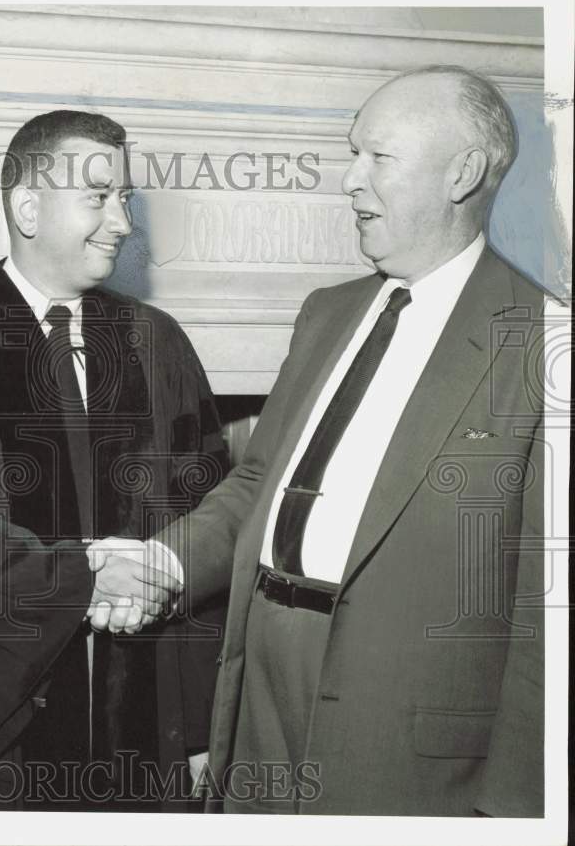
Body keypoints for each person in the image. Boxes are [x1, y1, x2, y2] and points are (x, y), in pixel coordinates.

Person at [90, 66, 549, 816]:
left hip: (406, 751)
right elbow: (257, 484)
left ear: (461, 174)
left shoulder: (542, 342)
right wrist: (162, 561)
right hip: (259, 695)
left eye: (377, 157)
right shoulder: (327, 313)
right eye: (351, 153)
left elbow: (546, 618)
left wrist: (510, 813)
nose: (348, 179)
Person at [0, 109, 229, 809]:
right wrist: (79, 576)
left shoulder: (158, 344)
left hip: (144, 728)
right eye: (98, 197)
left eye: (124, 198)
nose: (123, 222)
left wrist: (201, 722)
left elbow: (209, 517)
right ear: (28, 207)